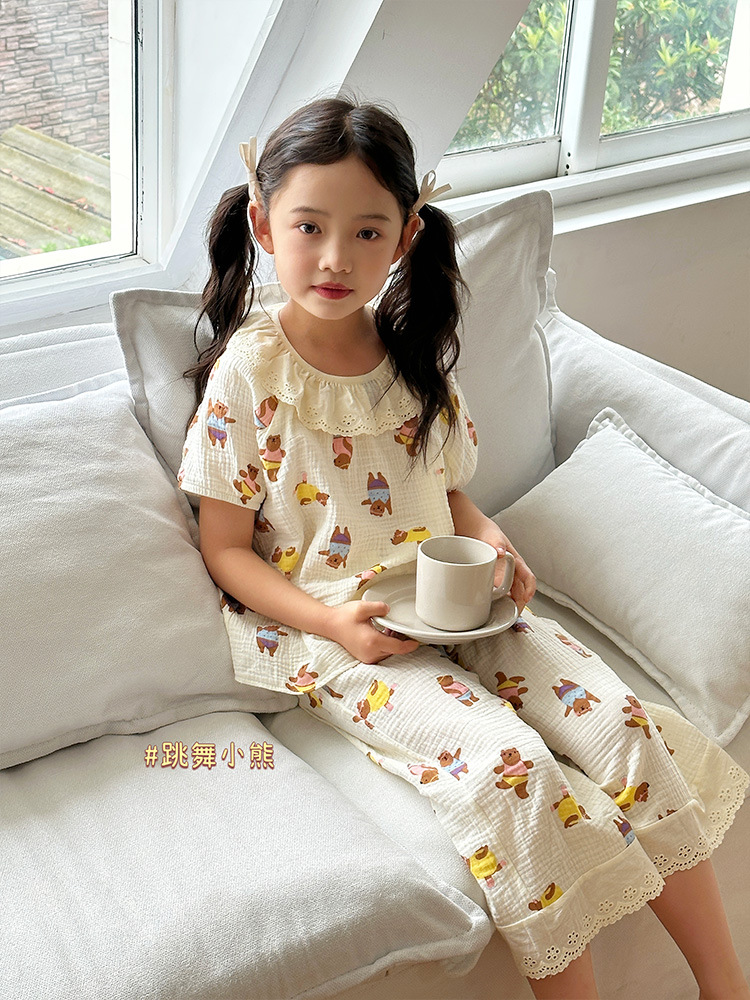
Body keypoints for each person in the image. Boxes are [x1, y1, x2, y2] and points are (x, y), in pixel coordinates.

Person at [178, 97, 749, 998]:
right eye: (309, 227)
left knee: (624, 724)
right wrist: (333, 624)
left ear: (405, 238)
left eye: (367, 232)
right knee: (511, 772)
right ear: (263, 226)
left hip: (462, 601)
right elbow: (226, 551)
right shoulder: (251, 372)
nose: (336, 258)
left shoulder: (411, 356)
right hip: (348, 632)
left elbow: (447, 493)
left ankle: (727, 985)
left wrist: (491, 539)